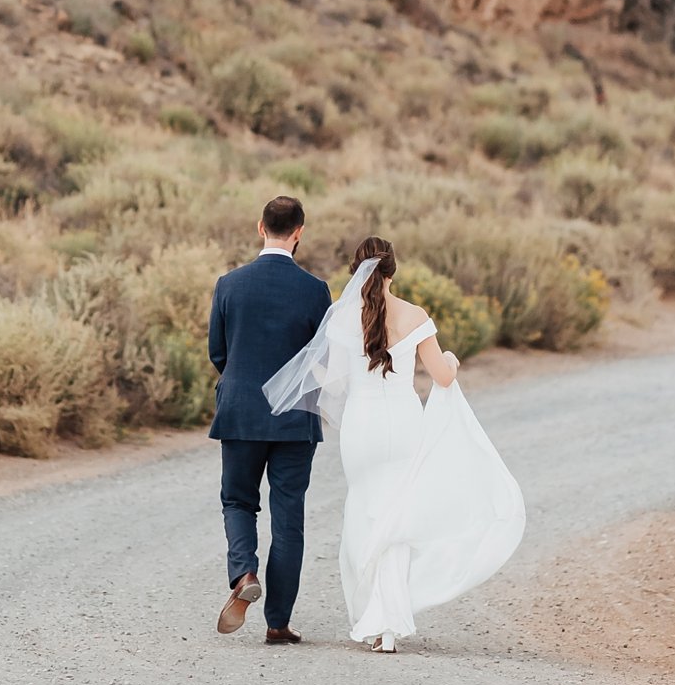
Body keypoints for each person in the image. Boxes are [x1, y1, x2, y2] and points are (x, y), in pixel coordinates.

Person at [264, 235, 525, 652]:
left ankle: (376, 617)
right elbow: (442, 376)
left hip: (361, 426)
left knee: (367, 513)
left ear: (356, 270)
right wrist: (454, 361)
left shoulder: (342, 318)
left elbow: (318, 375)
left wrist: (349, 383)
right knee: (397, 516)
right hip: (403, 423)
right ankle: (388, 625)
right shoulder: (414, 315)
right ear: (392, 270)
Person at [207, 195, 332, 644]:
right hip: (295, 420)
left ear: (261, 227)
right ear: (299, 231)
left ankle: (243, 574)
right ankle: (278, 623)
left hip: (240, 411)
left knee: (238, 502)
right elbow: (323, 360)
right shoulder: (315, 290)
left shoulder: (229, 284)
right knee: (289, 518)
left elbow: (218, 353)